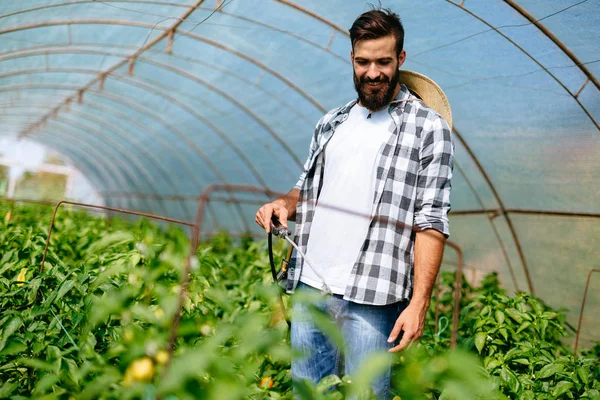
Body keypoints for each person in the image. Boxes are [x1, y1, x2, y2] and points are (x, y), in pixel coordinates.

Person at [255, 7, 454, 399]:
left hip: (375, 294)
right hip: (311, 283)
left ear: (400, 59)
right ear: (352, 59)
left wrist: (419, 305)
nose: (373, 72)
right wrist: (282, 204)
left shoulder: (428, 128)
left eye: (383, 61)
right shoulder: (332, 123)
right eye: (363, 62)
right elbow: (304, 191)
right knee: (308, 392)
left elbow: (431, 221)